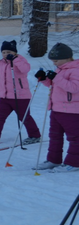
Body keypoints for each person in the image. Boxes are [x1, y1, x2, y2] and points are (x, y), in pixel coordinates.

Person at [0, 40, 41, 147]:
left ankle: (35, 135)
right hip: (5, 97)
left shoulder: (20, 60)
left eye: (9, 52)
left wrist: (15, 60)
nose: (6, 54)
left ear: (14, 52)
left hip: (20, 97)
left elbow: (25, 69)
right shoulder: (1, 63)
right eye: (3, 52)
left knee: (25, 117)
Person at [34, 43, 79, 172]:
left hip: (72, 110)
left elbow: (74, 88)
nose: (54, 63)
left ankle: (74, 163)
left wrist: (57, 78)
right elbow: (55, 85)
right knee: (55, 136)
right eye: (53, 61)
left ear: (68, 57)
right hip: (56, 109)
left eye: (56, 60)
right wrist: (43, 79)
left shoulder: (76, 69)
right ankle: (53, 160)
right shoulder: (60, 69)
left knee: (75, 137)